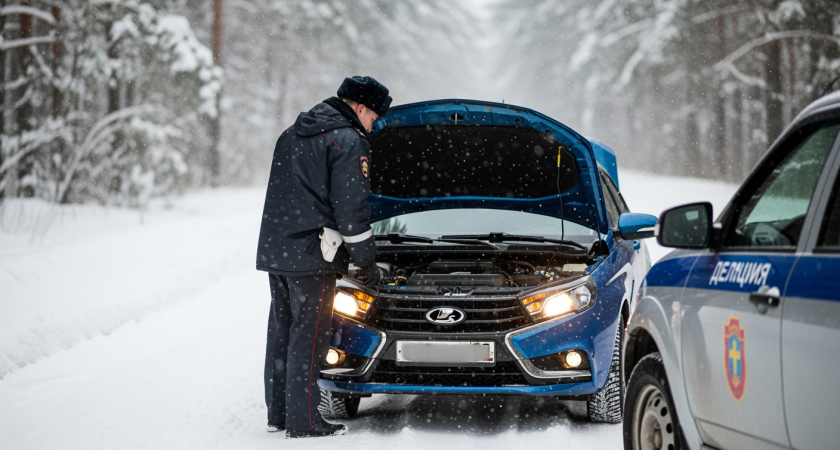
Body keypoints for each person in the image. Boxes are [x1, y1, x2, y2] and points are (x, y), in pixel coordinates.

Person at [255, 76, 391, 439]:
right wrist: (366, 261)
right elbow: (351, 212)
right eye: (374, 118)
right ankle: (305, 421)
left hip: (278, 249)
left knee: (282, 331)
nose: (373, 126)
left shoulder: (290, 133)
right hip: (313, 254)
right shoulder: (348, 141)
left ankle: (280, 414)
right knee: (311, 336)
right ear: (360, 107)